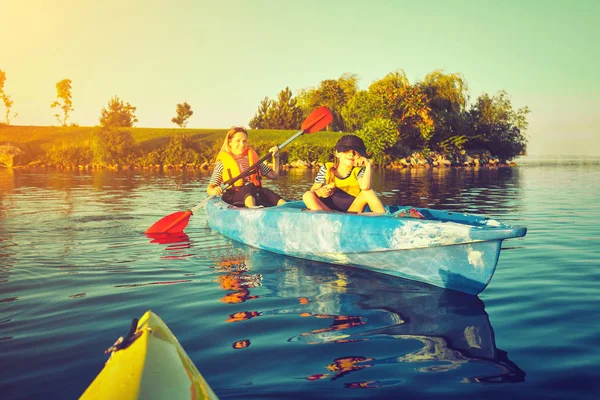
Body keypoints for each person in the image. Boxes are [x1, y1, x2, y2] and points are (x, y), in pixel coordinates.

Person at [302, 135, 385, 214]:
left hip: (351, 213)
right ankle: (328, 222)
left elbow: (365, 187)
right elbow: (313, 190)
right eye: (346, 151)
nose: (351, 154)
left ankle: (384, 220)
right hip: (327, 213)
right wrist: (319, 192)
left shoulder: (358, 171)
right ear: (337, 153)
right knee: (307, 195)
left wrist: (368, 165)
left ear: (361, 156)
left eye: (355, 152)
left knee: (368, 192)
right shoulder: (326, 168)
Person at [207, 126, 286, 207]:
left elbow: (274, 175)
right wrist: (214, 190)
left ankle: (286, 207)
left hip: (255, 192)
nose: (242, 144)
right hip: (233, 195)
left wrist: (275, 157)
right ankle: (252, 209)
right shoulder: (222, 163)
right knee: (249, 186)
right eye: (238, 141)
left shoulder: (254, 160)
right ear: (230, 142)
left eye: (244, 141)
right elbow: (210, 187)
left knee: (266, 192)